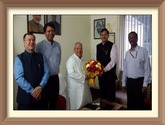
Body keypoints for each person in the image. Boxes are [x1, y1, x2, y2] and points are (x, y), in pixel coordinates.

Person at [14, 32, 49, 110]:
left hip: (41, 98)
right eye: (29, 40)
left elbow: (47, 72)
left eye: (33, 40)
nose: (32, 42)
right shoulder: (19, 58)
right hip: (25, 100)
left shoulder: (41, 57)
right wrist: (33, 91)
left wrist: (40, 86)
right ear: (24, 43)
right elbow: (19, 78)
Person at [122, 31, 151, 110]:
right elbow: (125, 69)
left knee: (139, 104)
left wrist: (145, 84)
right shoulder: (127, 53)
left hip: (139, 82)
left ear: (137, 38)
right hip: (129, 82)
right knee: (130, 104)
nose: (131, 39)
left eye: (133, 37)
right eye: (130, 38)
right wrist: (123, 83)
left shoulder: (143, 51)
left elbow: (147, 69)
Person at [35, 23, 61, 110]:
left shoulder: (58, 45)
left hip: (55, 78)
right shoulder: (39, 46)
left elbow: (59, 61)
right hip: (44, 80)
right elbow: (36, 63)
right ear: (44, 33)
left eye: (52, 31)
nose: (51, 33)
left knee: (54, 102)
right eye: (48, 31)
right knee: (44, 103)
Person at [94, 28, 118, 109]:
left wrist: (103, 69)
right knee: (102, 96)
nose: (103, 36)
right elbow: (95, 60)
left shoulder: (113, 45)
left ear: (108, 36)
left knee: (110, 97)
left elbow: (113, 61)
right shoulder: (97, 46)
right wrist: (97, 69)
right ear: (100, 36)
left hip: (110, 76)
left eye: (105, 34)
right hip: (101, 76)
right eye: (102, 35)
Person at [66, 42, 92, 110]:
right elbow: (71, 73)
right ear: (74, 49)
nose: (79, 50)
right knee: (76, 107)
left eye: (80, 48)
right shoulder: (71, 60)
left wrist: (90, 74)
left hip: (84, 87)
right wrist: (84, 77)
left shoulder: (83, 59)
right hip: (75, 89)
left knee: (85, 106)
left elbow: (85, 70)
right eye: (77, 48)